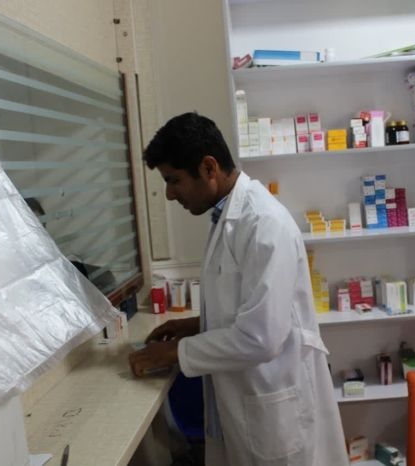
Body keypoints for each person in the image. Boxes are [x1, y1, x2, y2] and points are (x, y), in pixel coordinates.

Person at [128, 112, 348, 466]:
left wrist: (172, 353)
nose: (169, 194)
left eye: (174, 180)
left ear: (209, 168)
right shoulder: (229, 217)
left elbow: (261, 338)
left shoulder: (263, 223)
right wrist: (194, 325)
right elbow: (246, 306)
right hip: (246, 404)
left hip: (274, 406)